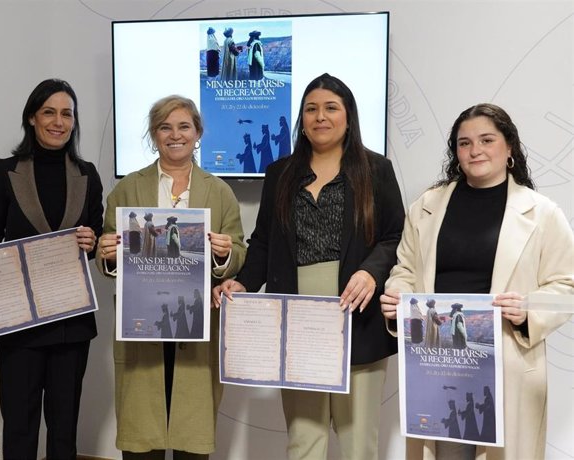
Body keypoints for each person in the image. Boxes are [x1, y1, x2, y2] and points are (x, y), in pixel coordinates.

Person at [213, 73, 405, 460]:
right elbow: (264, 241)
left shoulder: (376, 169)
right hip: (295, 321)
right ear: (302, 118)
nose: (320, 116)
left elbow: (396, 236)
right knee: (304, 438)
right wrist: (243, 284)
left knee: (358, 443)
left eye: (331, 108)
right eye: (311, 109)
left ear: (348, 116)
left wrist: (371, 272)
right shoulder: (280, 173)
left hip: (357, 316)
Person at [381, 103, 574, 460]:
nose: (475, 151)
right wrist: (398, 296)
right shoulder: (427, 205)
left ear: (509, 147)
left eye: (487, 140)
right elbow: (405, 269)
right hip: (437, 358)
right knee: (445, 453)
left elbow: (567, 288)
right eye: (464, 143)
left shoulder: (542, 213)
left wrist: (528, 308)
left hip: (505, 357)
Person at [0, 78, 103, 460]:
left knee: (64, 427)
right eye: (49, 112)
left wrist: (92, 242)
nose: (58, 121)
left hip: (70, 322)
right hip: (19, 324)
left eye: (67, 113)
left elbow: (94, 236)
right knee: (19, 425)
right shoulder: (6, 171)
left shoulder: (89, 174)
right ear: (32, 117)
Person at [96, 95, 247, 459]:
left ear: (198, 133)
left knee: (191, 436)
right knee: (141, 437)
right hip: (141, 323)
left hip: (195, 324)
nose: (175, 135)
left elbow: (239, 251)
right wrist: (109, 255)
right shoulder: (128, 189)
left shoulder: (220, 191)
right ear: (154, 134)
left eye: (184, 126)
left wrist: (225, 253)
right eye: (165, 127)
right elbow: (109, 256)